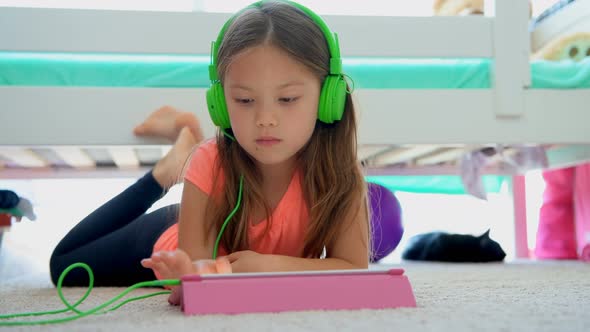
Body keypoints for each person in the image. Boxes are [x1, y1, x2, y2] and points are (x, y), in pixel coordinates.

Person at [50, 0, 370, 302]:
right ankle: (163, 173)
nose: (265, 120)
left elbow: (355, 271)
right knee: (63, 265)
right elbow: (196, 284)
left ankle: (178, 150)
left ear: (329, 98)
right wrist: (186, 281)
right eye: (244, 101)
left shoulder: (340, 170)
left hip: (206, 219)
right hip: (170, 237)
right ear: (220, 105)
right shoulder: (209, 161)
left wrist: (264, 266)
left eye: (287, 100)